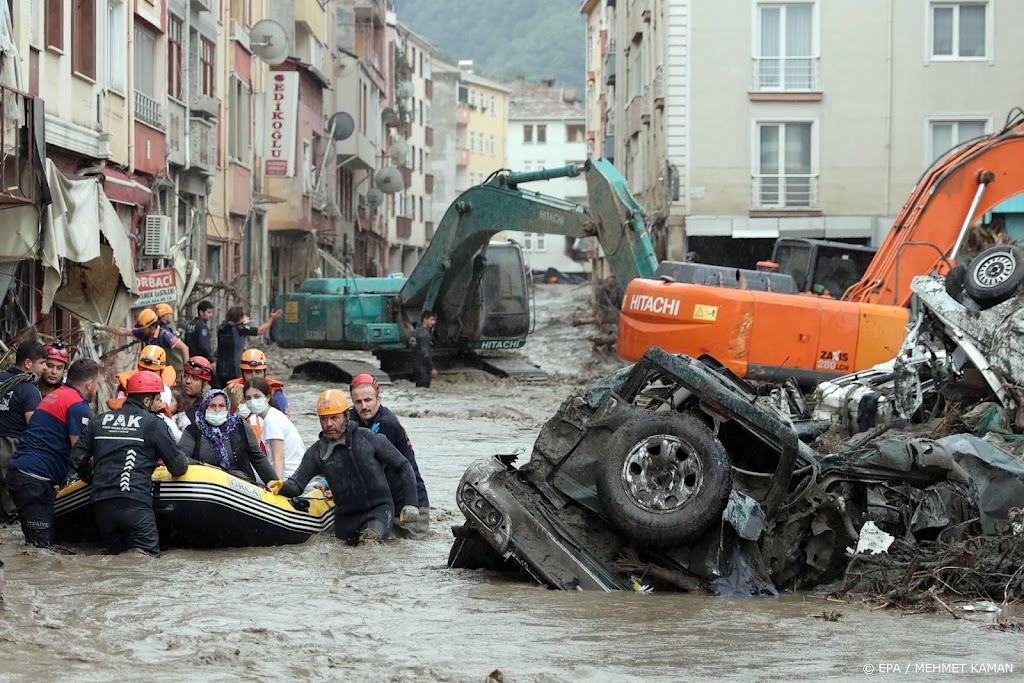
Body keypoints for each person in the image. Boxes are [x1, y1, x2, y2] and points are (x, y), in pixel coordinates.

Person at [270, 390, 419, 544]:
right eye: (324, 419)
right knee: (341, 558)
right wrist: (280, 486)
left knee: (369, 544)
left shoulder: (369, 439)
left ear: (347, 416)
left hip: (378, 510)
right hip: (345, 518)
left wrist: (412, 503)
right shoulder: (316, 452)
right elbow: (297, 485)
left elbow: (403, 465)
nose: (329, 424)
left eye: (334, 418)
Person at [71, 370, 188, 556]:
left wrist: (90, 478)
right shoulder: (154, 423)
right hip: (135, 504)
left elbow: (77, 457)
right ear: (147, 401)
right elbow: (178, 467)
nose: (161, 404)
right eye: (158, 399)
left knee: (114, 562)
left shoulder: (100, 420)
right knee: (147, 562)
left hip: (102, 506)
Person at [5, 359, 101, 548]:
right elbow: (79, 451)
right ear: (89, 384)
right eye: (97, 384)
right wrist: (94, 474)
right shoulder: (78, 405)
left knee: (35, 545)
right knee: (41, 549)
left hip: (21, 474)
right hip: (34, 480)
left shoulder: (57, 395)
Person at [349, 373, 430, 538]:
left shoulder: (387, 424)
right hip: (384, 506)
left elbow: (368, 470)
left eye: (368, 400)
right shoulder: (353, 419)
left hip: (408, 508)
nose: (364, 406)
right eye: (358, 402)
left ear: (378, 398)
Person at [177, 390, 278, 486]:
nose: (217, 410)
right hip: (205, 483)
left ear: (228, 408)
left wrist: (277, 484)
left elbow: (258, 458)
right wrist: (203, 466)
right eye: (212, 406)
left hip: (240, 484)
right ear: (204, 408)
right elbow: (181, 457)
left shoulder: (240, 426)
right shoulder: (193, 430)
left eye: (221, 406)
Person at [0, 341, 48, 521]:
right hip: (11, 446)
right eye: (42, 363)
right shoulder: (29, 389)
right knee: (13, 498)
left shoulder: (1, 378)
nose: (44, 368)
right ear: (28, 363)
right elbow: (33, 425)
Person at [242, 377, 304, 481]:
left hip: (288, 476)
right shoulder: (271, 416)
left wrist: (277, 488)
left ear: (267, 397)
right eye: (248, 398)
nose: (252, 401)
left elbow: (279, 458)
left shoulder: (272, 420)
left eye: (257, 396)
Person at [97, 308, 190, 369]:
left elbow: (184, 348)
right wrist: (102, 327)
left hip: (169, 373)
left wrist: (187, 370)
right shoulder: (144, 333)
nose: (141, 331)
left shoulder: (164, 335)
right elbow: (122, 331)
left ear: (152, 327)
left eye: (143, 329)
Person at [215, 305, 282, 388]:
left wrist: (242, 323)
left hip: (221, 369)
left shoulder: (222, 328)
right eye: (244, 316)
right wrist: (272, 319)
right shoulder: (240, 329)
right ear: (239, 317)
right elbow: (260, 330)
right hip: (234, 370)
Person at [107, 345, 177, 411]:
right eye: (143, 369)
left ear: (161, 371)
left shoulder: (171, 388)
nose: (147, 374)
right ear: (138, 367)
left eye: (152, 371)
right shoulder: (126, 384)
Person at [226, 349, 289, 416]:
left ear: (264, 372)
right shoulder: (232, 390)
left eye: (258, 372)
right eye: (248, 372)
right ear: (242, 373)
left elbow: (282, 418)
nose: (254, 376)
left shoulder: (276, 393)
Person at [178, 356, 213, 423]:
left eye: (195, 379)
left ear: (204, 383)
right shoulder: (171, 401)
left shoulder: (204, 410)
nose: (188, 381)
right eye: (185, 376)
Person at [410, 310, 437, 388]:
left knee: (419, 388)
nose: (433, 323)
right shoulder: (425, 334)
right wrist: (432, 368)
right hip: (424, 368)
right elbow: (425, 353)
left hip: (416, 367)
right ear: (425, 320)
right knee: (425, 389)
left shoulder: (415, 332)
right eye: (431, 320)